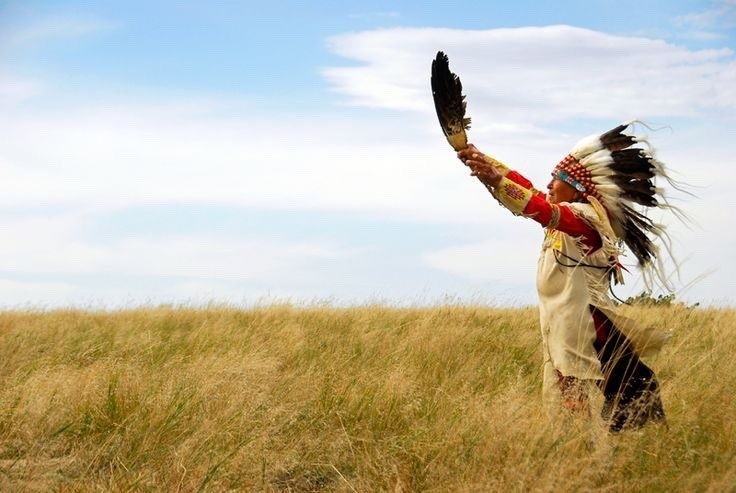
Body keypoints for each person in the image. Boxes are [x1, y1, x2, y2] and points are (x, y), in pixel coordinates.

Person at [456, 122, 673, 432]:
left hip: (585, 326)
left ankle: (586, 451)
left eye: (555, 181)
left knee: (582, 391)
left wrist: (493, 177)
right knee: (585, 393)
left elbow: (538, 207)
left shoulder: (584, 218)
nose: (548, 186)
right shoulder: (567, 212)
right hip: (566, 323)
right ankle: (588, 449)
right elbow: (528, 193)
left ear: (576, 188)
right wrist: (480, 159)